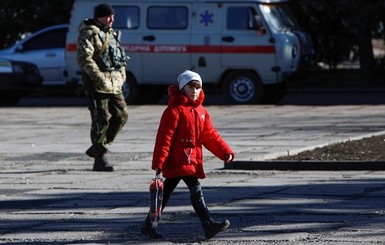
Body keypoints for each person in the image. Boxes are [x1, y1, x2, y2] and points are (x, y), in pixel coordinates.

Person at [140, 70, 235, 239]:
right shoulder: (174, 111)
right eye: (191, 87)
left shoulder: (202, 112)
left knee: (167, 192)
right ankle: (208, 225)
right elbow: (164, 138)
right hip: (176, 161)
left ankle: (149, 225)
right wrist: (159, 163)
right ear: (183, 88)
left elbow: (210, 136)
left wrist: (224, 151)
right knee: (192, 188)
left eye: (198, 87)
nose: (195, 90)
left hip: (191, 159)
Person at [77, 3, 129, 171]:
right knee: (101, 120)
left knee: (122, 116)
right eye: (108, 16)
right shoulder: (89, 33)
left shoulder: (112, 34)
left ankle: (98, 147)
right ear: (99, 17)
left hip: (115, 83)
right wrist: (98, 77)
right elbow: (85, 58)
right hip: (98, 85)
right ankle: (100, 159)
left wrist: (122, 76)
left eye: (112, 16)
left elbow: (119, 59)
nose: (112, 19)